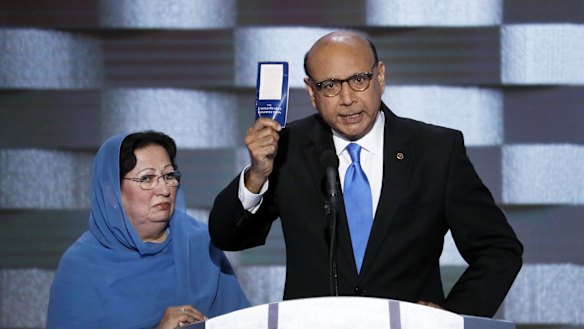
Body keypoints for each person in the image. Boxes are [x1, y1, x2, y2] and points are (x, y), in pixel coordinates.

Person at [208, 31, 523, 317]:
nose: (347, 99)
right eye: (330, 85)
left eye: (358, 79)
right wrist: (257, 175)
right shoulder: (287, 150)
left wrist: (451, 317)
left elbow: (499, 250)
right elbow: (227, 236)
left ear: (380, 77)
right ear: (311, 91)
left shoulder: (436, 151)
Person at [47, 131, 250, 329]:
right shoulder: (81, 266)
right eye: (147, 179)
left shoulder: (199, 243)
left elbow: (242, 322)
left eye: (169, 175)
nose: (164, 189)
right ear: (111, 194)